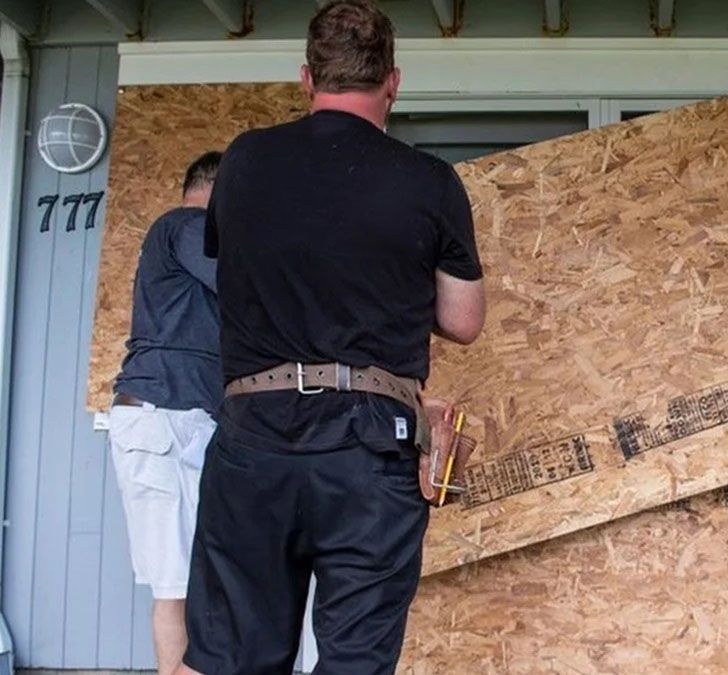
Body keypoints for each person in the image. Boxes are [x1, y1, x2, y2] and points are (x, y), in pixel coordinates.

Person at [178, 1, 485, 673]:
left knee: (234, 658)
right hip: (368, 447)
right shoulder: (429, 180)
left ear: (306, 78)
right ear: (393, 82)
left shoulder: (246, 161)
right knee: (353, 660)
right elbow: (463, 319)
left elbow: (243, 271)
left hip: (254, 438)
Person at [109, 150, 223, 675]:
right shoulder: (186, 224)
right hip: (166, 419)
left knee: (189, 585)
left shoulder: (189, 238)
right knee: (178, 588)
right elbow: (242, 283)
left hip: (178, 420)